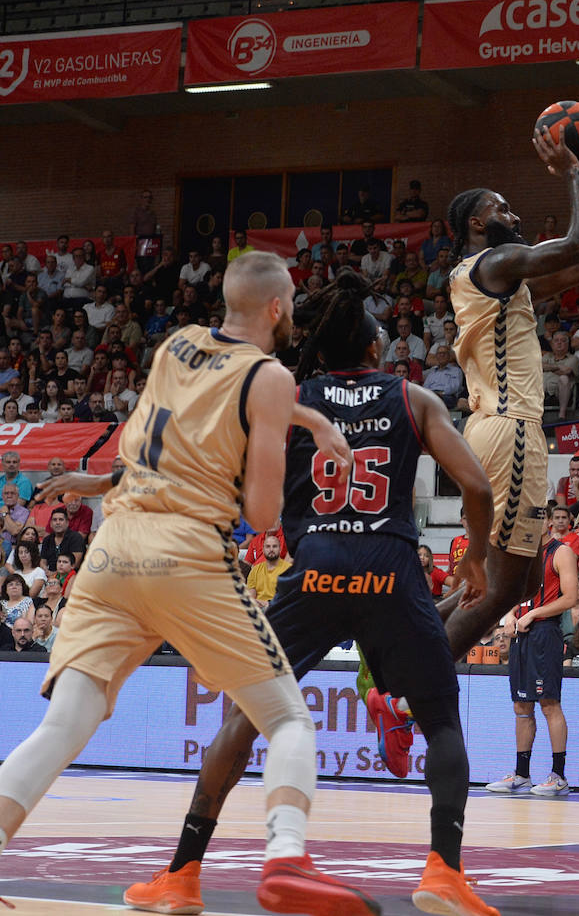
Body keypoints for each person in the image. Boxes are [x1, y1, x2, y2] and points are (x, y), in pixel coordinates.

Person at [1, 254, 377, 913]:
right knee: (287, 717)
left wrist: (309, 420)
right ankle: (286, 856)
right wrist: (295, 445)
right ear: (276, 308)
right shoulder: (268, 375)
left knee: (63, 725)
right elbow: (261, 515)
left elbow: (152, 446)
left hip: (114, 550)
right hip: (185, 555)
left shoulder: (175, 345)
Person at [121, 268, 499, 915]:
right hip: (389, 566)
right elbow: (480, 489)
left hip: (314, 566)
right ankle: (444, 870)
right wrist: (477, 560)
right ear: (377, 350)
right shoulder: (413, 398)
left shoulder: (287, 395)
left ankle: (181, 874)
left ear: (319, 350)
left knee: (245, 714)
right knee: (440, 721)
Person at [439, 108, 579, 670]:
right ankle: (411, 688)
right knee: (503, 590)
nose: (512, 213)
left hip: (496, 430)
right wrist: (572, 169)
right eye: (499, 208)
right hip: (510, 432)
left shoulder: (496, 275)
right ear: (476, 226)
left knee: (522, 578)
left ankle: (408, 635)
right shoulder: (492, 262)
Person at [486, 534, 579, 797]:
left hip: (544, 632)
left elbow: (570, 597)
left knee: (549, 703)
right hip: (521, 634)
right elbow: (515, 592)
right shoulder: (522, 552)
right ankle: (522, 775)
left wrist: (534, 613)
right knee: (521, 705)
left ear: (545, 521)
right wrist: (510, 614)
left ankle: (559, 776)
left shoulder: (561, 552)